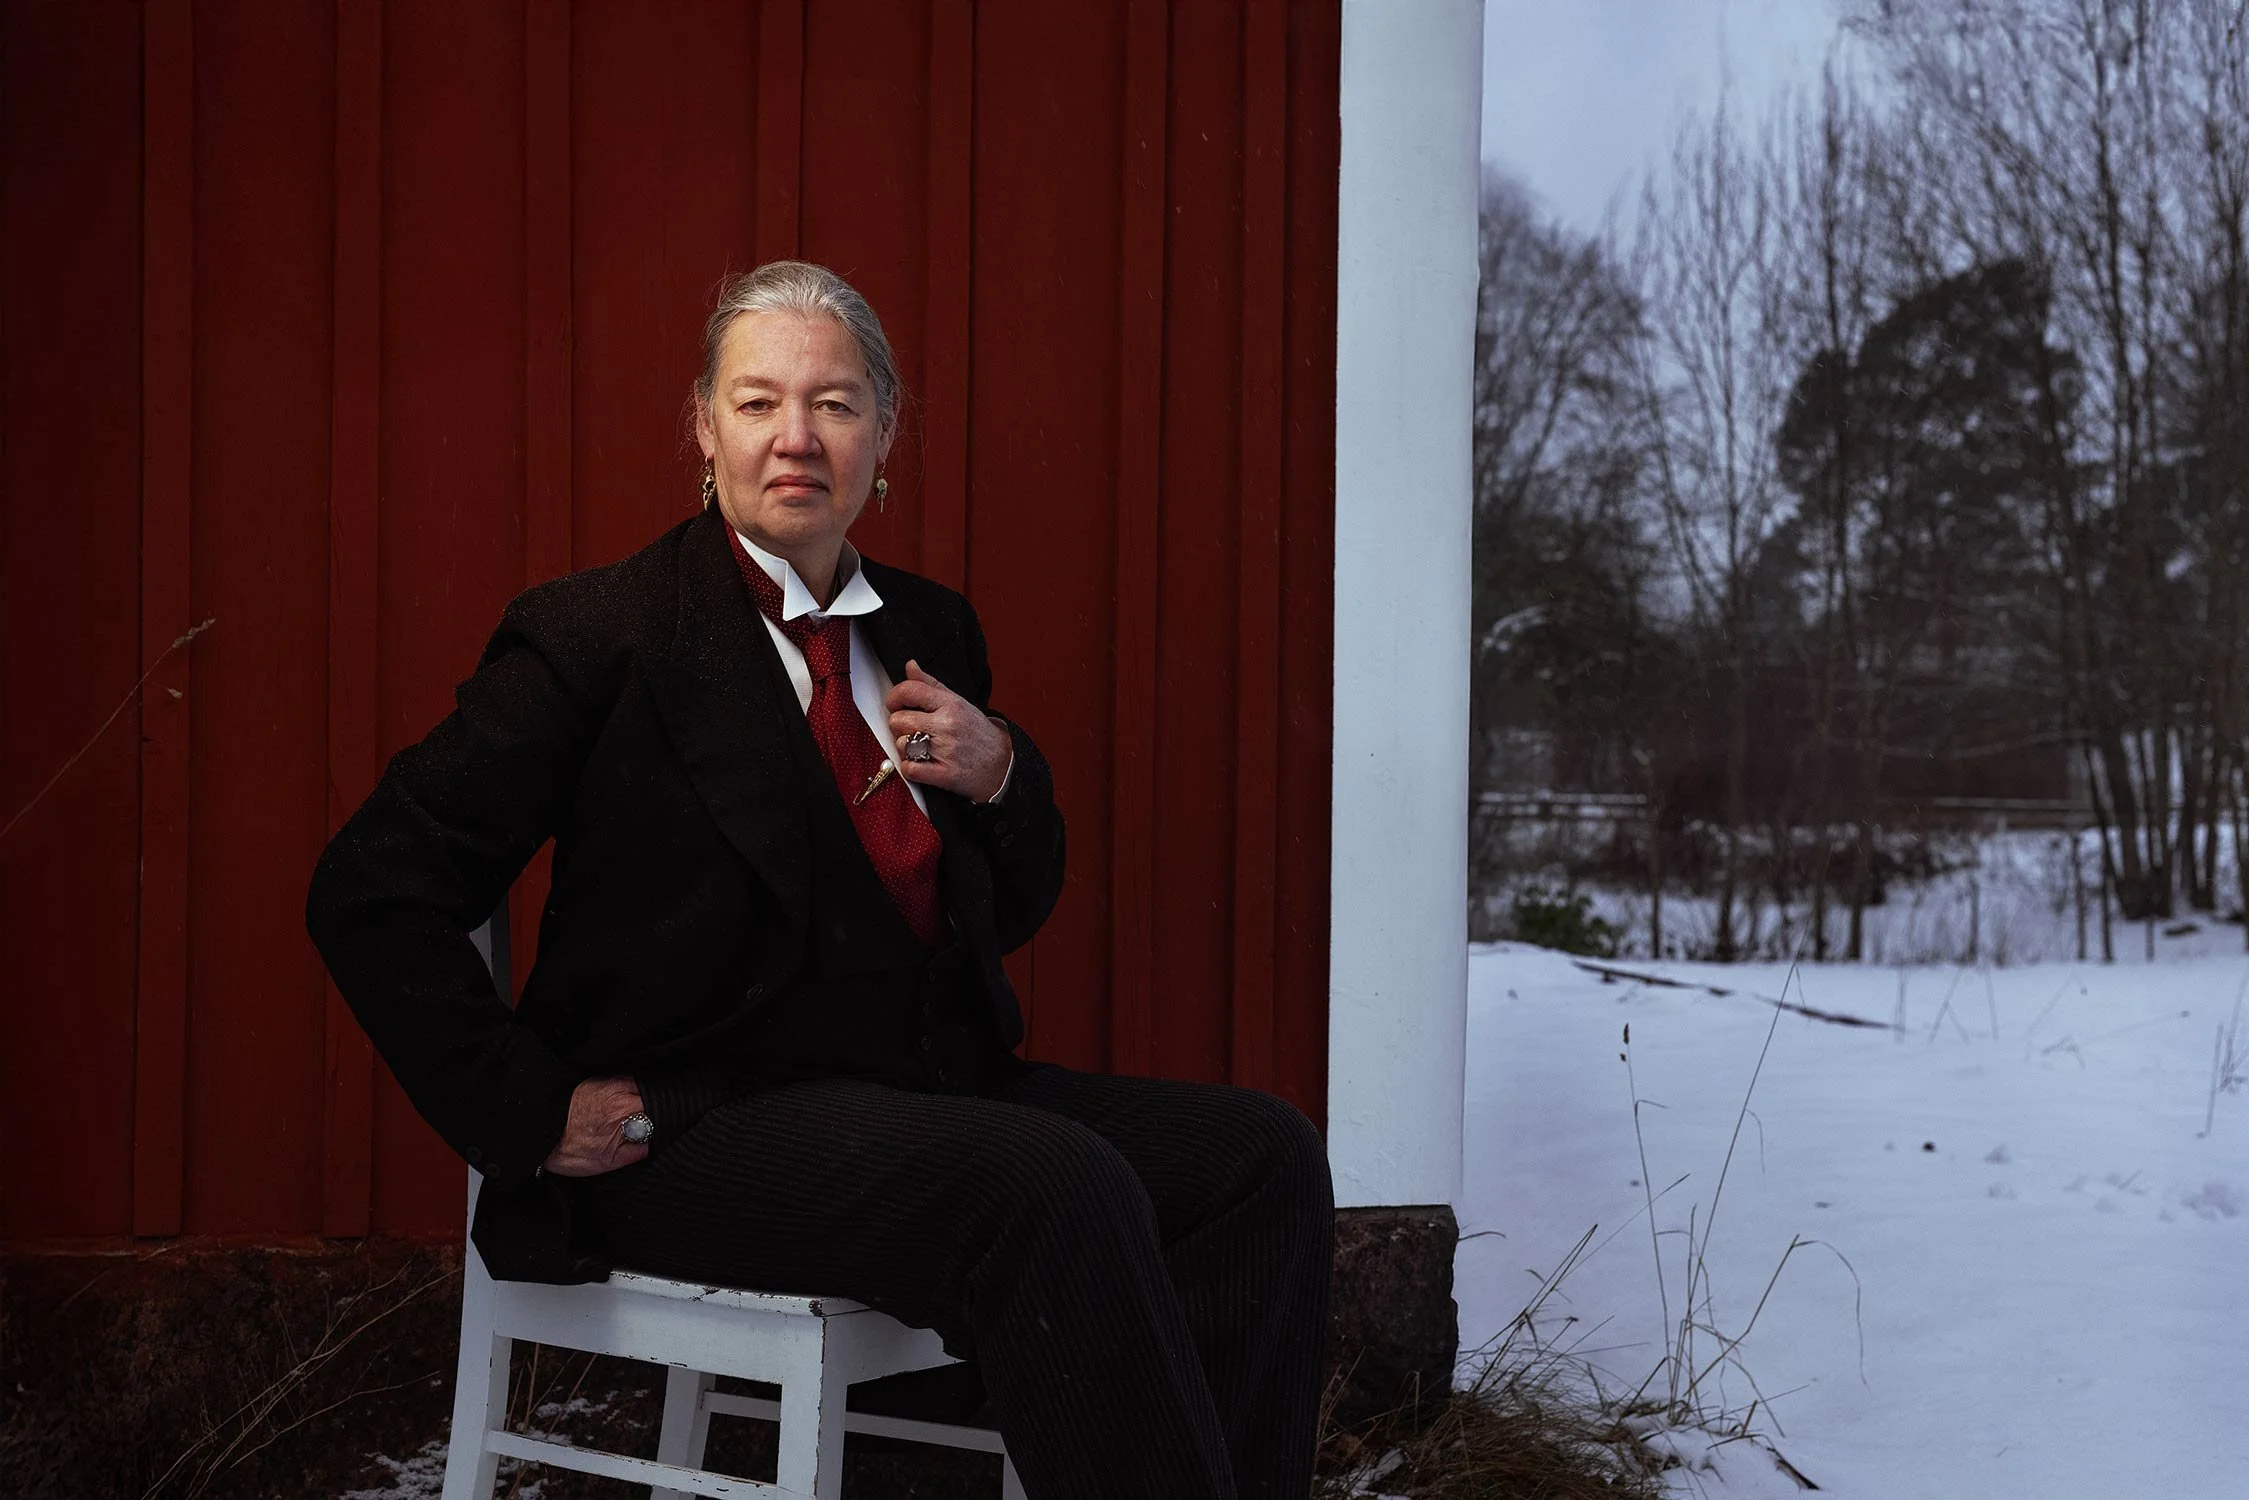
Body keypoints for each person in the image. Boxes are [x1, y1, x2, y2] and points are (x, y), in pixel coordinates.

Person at [305, 261, 1334, 1498]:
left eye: (836, 404)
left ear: (885, 433)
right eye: (757, 403)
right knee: (1046, 1185)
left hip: (920, 1097)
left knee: (1257, 1158)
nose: (796, 437)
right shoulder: (598, 637)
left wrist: (1003, 773)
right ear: (703, 426)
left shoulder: (928, 631)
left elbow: (1011, 910)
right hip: (691, 1129)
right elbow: (371, 888)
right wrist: (527, 1108)